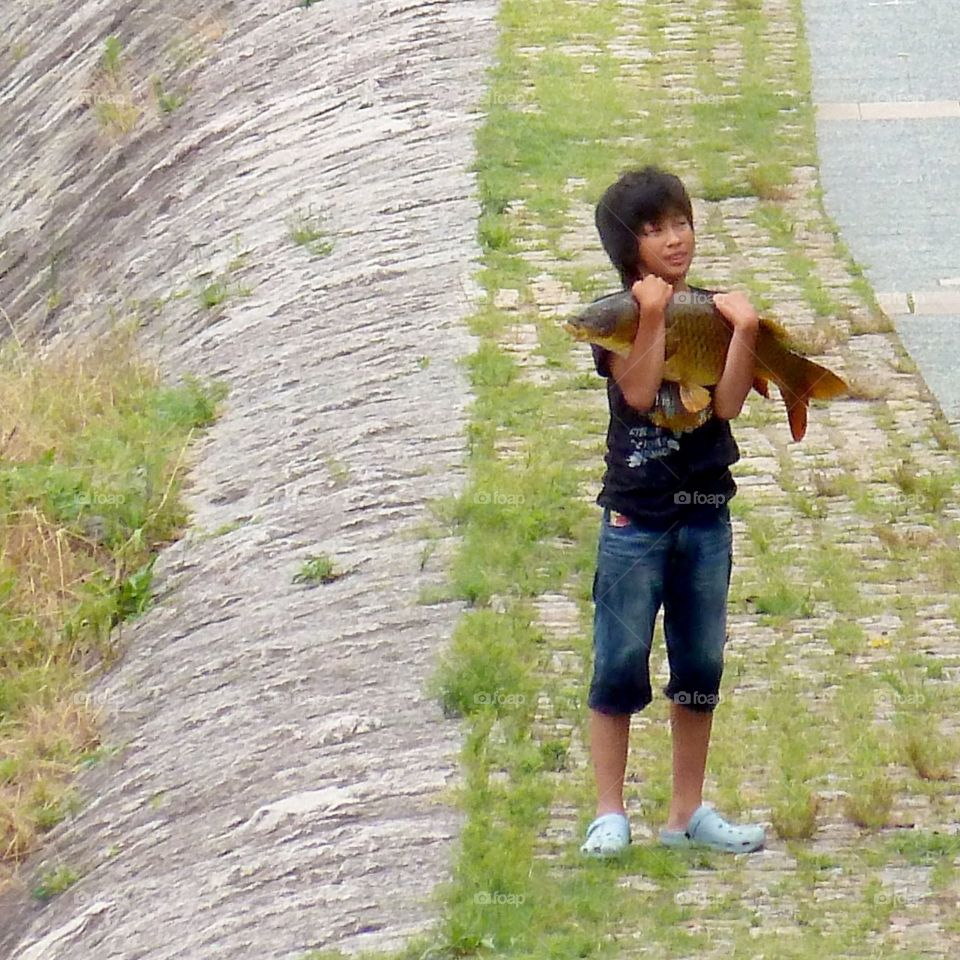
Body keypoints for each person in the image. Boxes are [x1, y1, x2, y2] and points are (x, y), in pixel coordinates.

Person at [580, 166, 766, 857]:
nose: (674, 238)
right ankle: (609, 811)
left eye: (680, 222)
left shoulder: (714, 311)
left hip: (706, 512)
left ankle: (687, 812)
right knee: (618, 661)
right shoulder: (620, 318)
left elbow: (725, 405)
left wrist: (743, 332)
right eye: (655, 229)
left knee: (699, 664)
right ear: (630, 248)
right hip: (634, 516)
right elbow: (635, 392)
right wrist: (653, 314)